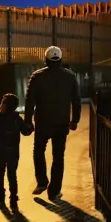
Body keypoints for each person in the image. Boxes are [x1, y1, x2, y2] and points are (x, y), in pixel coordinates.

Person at [24, 46, 81, 201]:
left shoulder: (37, 76)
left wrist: (27, 122)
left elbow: (30, 102)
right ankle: (54, 191)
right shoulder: (70, 77)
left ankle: (42, 181)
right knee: (58, 157)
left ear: (46, 60)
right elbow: (76, 100)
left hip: (42, 122)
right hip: (61, 124)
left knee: (38, 151)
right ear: (61, 60)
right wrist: (75, 120)